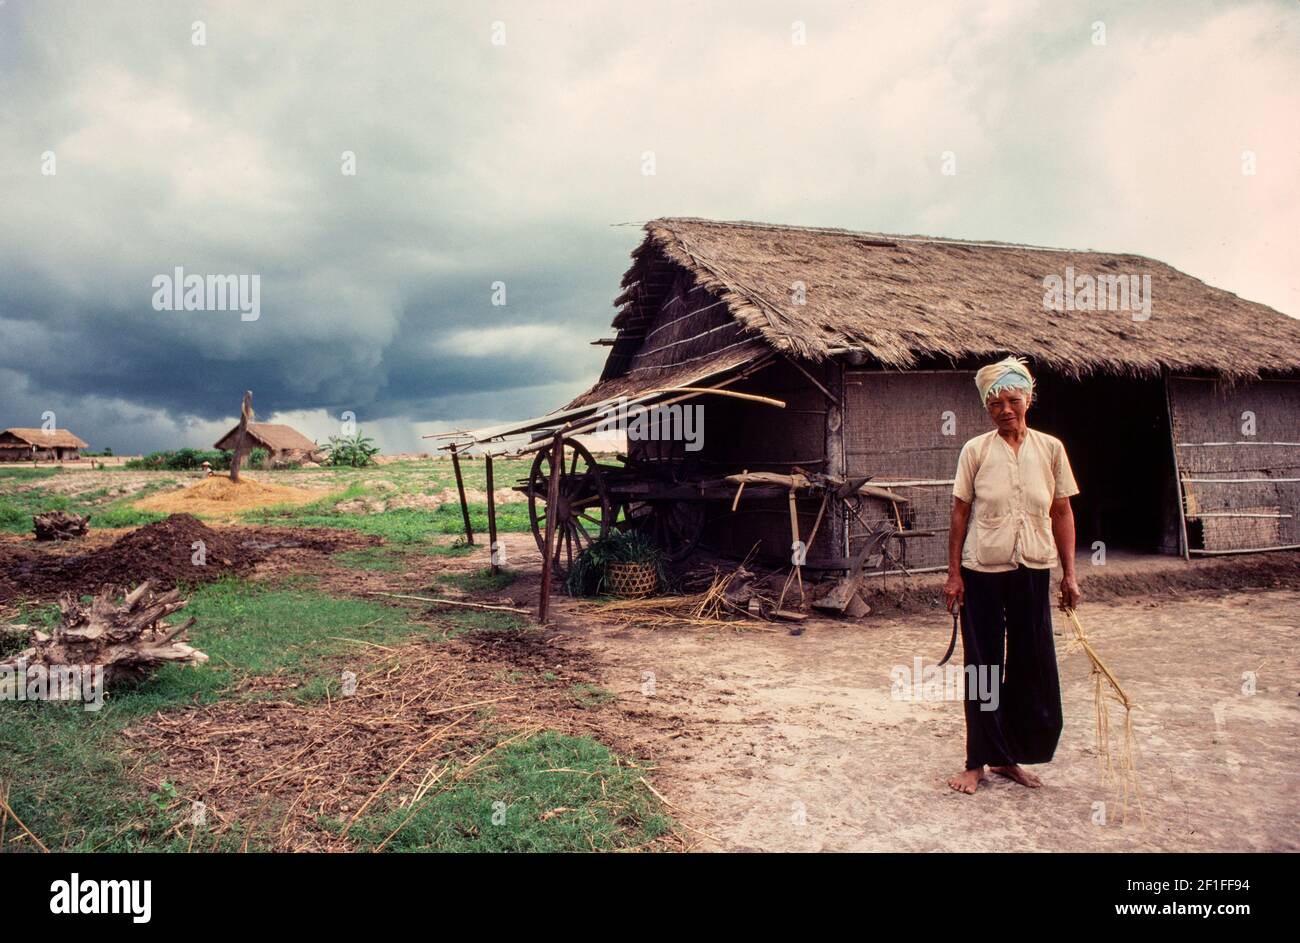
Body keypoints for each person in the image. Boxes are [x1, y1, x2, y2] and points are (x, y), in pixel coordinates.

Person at [943, 356, 1082, 794]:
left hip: (1033, 569)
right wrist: (953, 575)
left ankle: (1009, 757)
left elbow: (1062, 510)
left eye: (1013, 400)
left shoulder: (1051, 449)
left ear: (1028, 400)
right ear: (987, 409)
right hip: (981, 570)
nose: (1005, 409)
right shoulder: (976, 450)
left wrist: (1069, 575)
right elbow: (959, 514)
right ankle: (976, 762)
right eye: (995, 404)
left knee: (1031, 662)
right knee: (983, 666)